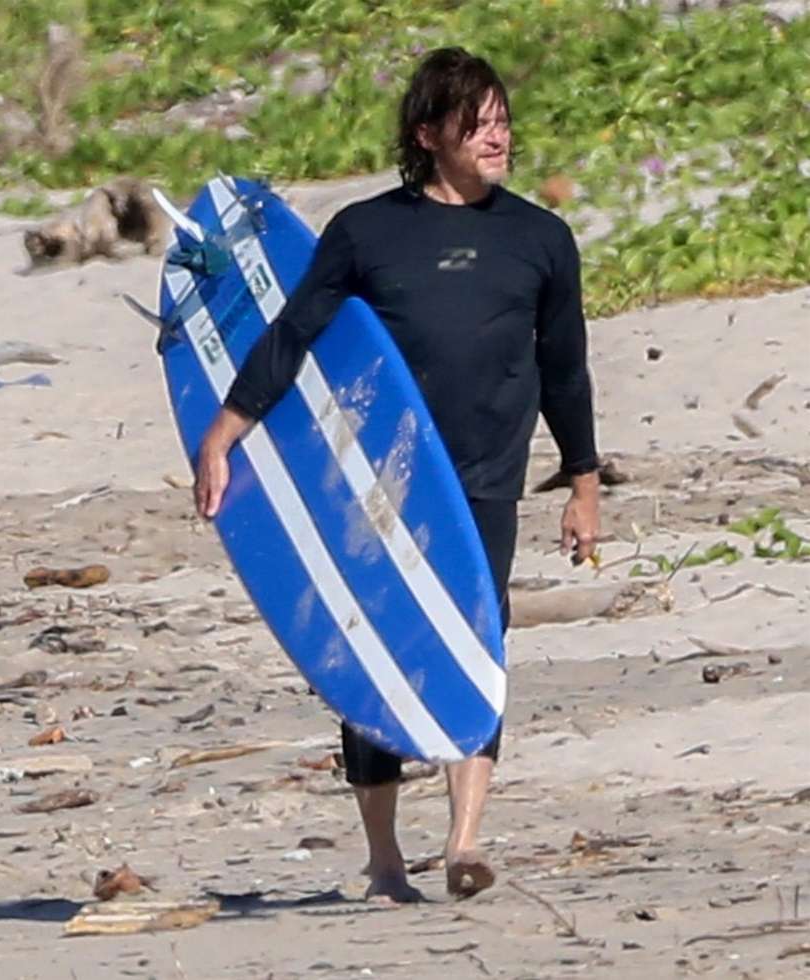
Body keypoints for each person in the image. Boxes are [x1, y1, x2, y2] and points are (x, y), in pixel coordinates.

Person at [193, 48, 601, 902]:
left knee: (476, 649)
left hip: (485, 480)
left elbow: (564, 369)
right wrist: (224, 434)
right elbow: (292, 336)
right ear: (429, 133)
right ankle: (383, 858)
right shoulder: (366, 232)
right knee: (370, 655)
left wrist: (583, 480)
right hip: (375, 483)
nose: (499, 136)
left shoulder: (540, 238)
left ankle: (462, 841)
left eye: (502, 120)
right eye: (477, 122)